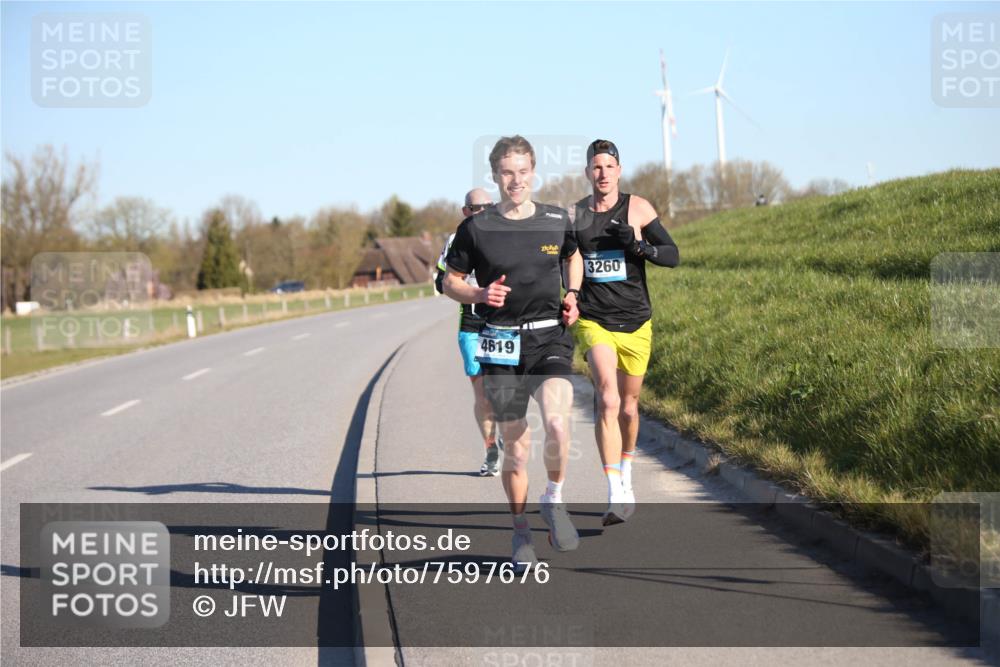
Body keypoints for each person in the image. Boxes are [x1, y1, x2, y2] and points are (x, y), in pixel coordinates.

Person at [444, 135, 583, 570]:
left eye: (523, 171)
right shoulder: (475, 228)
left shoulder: (556, 219)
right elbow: (451, 282)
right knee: (518, 450)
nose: (515, 180)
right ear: (494, 176)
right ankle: (521, 531)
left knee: (559, 427)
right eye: (507, 172)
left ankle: (554, 500)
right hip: (500, 342)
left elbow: (573, 256)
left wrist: (574, 292)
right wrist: (480, 293)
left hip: (549, 336)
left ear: (534, 172)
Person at [566, 139, 679, 525]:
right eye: (595, 167)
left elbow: (673, 256)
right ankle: (614, 491)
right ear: (587, 172)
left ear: (619, 170)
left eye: (609, 167)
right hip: (595, 319)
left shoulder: (638, 208)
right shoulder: (576, 215)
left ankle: (626, 471)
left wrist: (639, 246)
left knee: (630, 408)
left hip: (636, 321)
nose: (602, 174)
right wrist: (571, 295)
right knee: (608, 399)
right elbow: (573, 261)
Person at [434, 188, 503, 476]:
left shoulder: (507, 235)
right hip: (472, 326)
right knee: (483, 395)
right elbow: (441, 283)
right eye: (477, 208)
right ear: (466, 211)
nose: (483, 212)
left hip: (504, 324)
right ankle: (491, 451)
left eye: (488, 206)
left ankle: (509, 435)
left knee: (506, 391)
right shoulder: (455, 241)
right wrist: (472, 289)